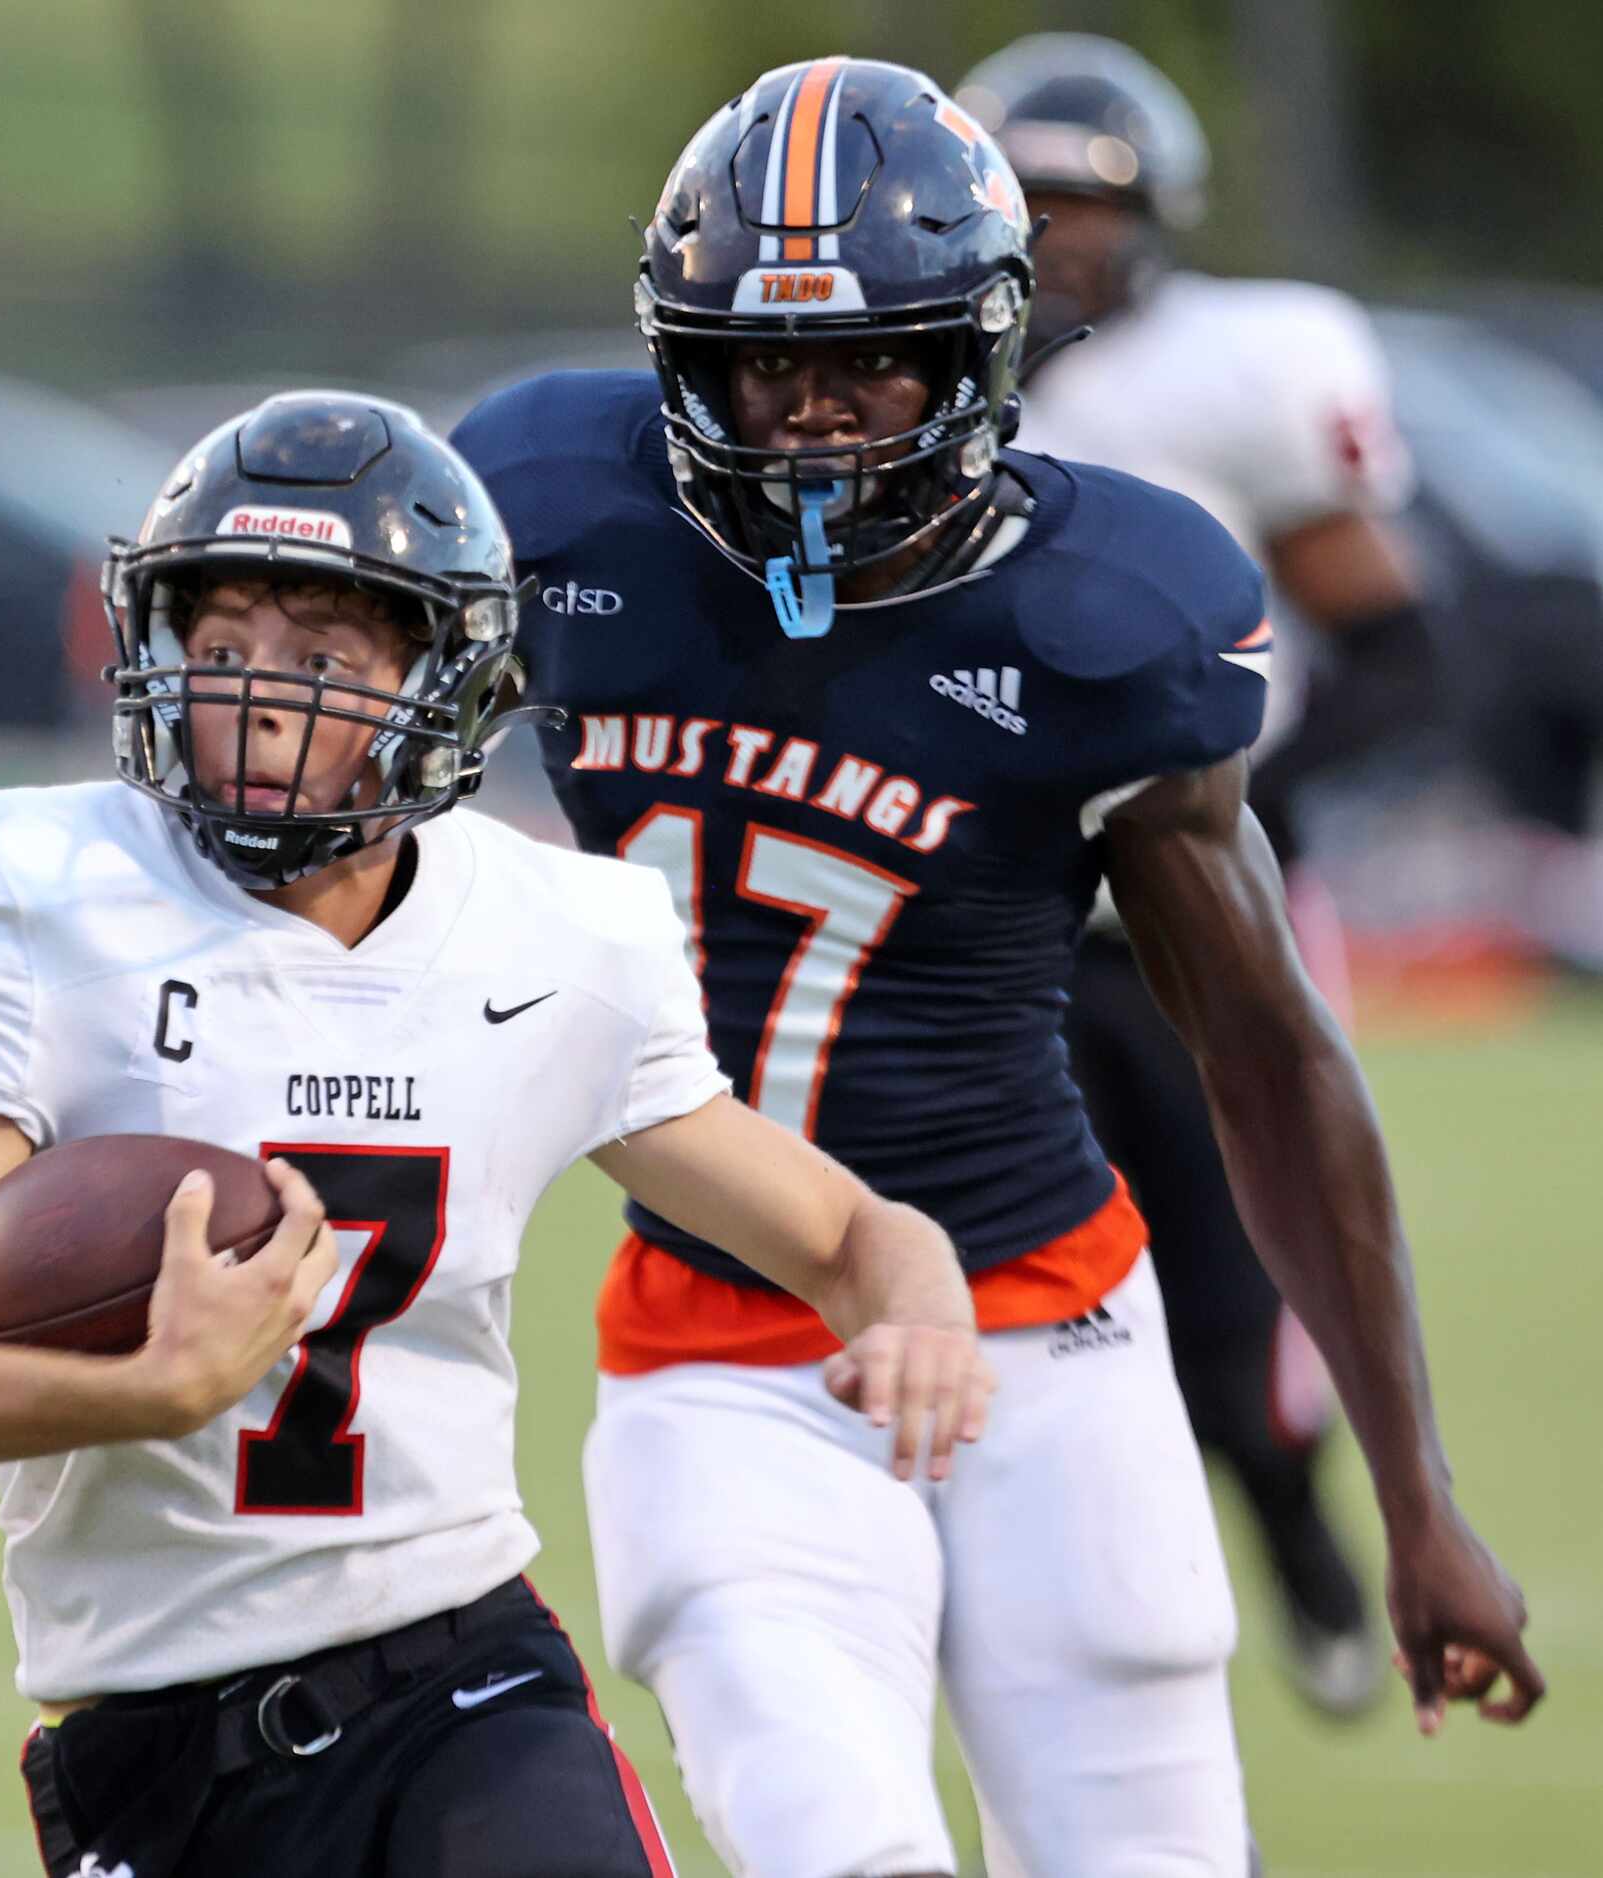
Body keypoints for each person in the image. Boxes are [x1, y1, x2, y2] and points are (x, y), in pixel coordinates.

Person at [452, 55, 1542, 1878]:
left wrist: (1413, 1497)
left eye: (872, 357)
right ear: (676, 348)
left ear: (987, 352)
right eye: (761, 362)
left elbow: (1268, 1057)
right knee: (837, 1847)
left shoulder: (1101, 607)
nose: (809, 420)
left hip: (1060, 1335)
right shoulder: (558, 513)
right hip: (724, 1347)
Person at [0, 392, 994, 1878]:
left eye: (323, 658)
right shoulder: (36, 901)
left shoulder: (552, 934)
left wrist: (919, 1304)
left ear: (446, 681)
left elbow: (848, 1232)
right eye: (221, 652)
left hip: (462, 1684)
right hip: (155, 1738)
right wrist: (147, 1390)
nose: (260, 699)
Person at [951, 30, 1442, 1717]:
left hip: (1190, 893)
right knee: (1000, 1281)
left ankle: (1301, 1534)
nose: (1063, 235)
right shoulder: (909, 369)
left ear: (1163, 212)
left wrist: (1229, 800)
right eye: (1029, 200)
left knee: (1243, 1293)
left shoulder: (1244, 365)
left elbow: (1392, 643)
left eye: (1096, 202)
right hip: (989, 905)